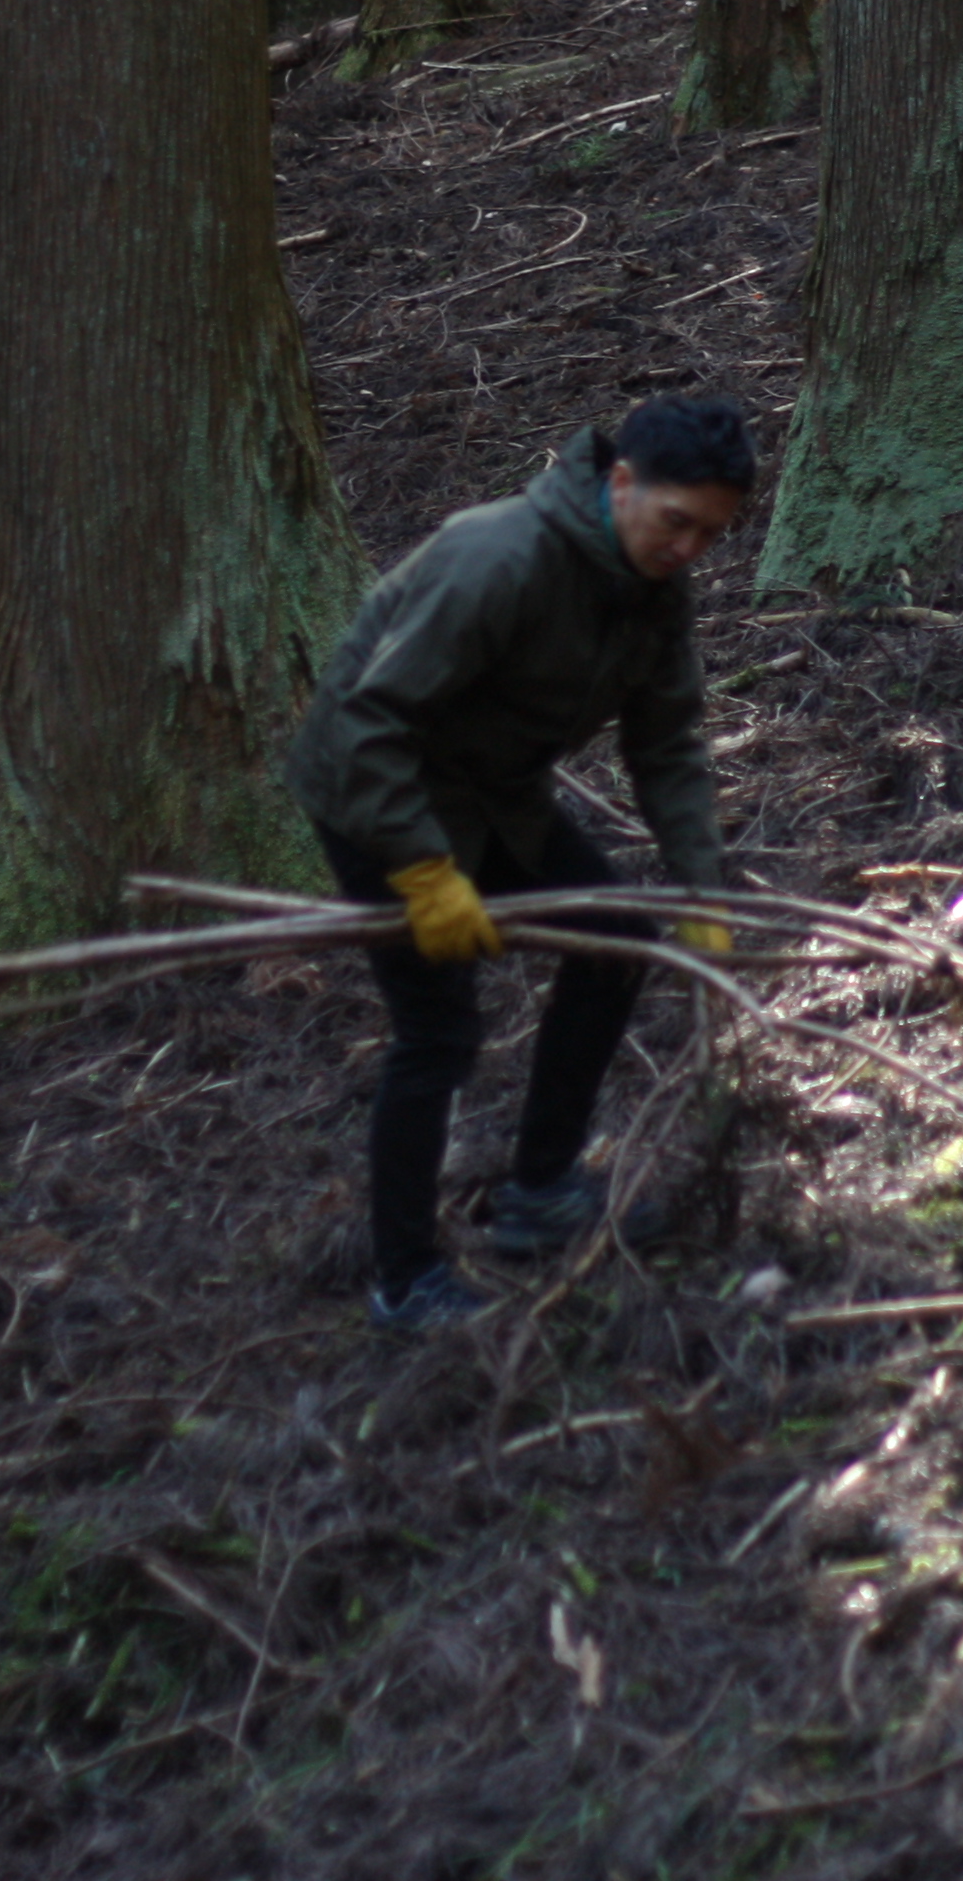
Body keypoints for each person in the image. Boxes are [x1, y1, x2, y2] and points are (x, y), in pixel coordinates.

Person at [283, 394, 755, 1327]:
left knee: (616, 939)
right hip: (379, 794)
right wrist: (423, 870)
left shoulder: (651, 592)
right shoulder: (498, 560)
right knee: (438, 1033)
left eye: (710, 534)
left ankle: (540, 1195)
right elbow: (365, 724)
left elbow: (666, 745)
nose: (688, 550)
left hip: (496, 795)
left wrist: (703, 883)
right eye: (676, 523)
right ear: (621, 484)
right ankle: (405, 1280)